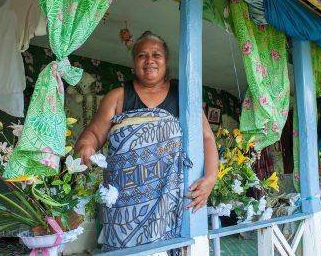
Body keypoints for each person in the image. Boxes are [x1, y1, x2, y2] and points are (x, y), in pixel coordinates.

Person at [74, 31, 219, 252]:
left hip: (172, 202)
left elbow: (207, 138)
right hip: (125, 207)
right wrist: (86, 145)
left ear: (165, 60)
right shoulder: (118, 96)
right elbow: (94, 132)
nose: (149, 60)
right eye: (142, 55)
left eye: (156, 54)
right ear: (134, 62)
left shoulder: (183, 95)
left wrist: (211, 177)